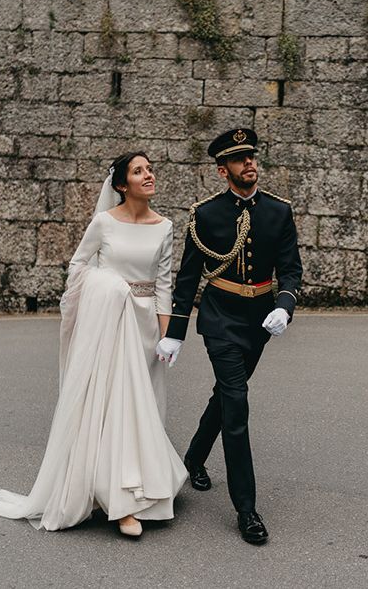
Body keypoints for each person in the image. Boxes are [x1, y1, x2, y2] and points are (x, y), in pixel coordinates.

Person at [0, 152, 187, 537]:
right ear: (121, 185)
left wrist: (167, 336)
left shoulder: (165, 226)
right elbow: (78, 266)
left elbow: (162, 285)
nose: (148, 175)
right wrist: (108, 287)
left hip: (144, 328)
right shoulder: (104, 223)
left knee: (144, 409)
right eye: (138, 171)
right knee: (112, 409)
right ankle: (121, 503)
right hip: (109, 323)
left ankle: (143, 485)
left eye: (149, 169)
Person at [156, 128, 302, 545]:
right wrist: (175, 333)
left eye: (251, 156)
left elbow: (291, 268)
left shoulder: (278, 211)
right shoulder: (205, 215)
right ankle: (246, 509)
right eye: (239, 159)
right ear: (223, 171)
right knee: (237, 405)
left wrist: (284, 306)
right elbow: (187, 278)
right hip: (220, 319)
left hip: (260, 320)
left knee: (225, 394)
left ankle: (193, 458)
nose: (249, 163)